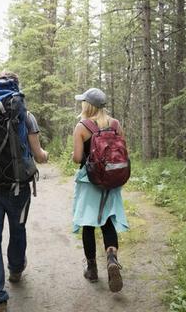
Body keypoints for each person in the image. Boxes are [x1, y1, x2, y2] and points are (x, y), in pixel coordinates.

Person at [0, 72, 49, 312]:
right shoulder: (26, 116)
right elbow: (39, 155)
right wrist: (44, 157)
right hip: (18, 188)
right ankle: (16, 269)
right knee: (17, 229)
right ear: (16, 88)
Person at [71, 87, 129, 293]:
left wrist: (74, 154)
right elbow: (123, 152)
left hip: (90, 182)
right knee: (107, 222)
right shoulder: (115, 124)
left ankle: (92, 269)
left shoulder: (82, 127)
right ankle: (112, 259)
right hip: (111, 181)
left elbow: (78, 158)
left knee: (88, 224)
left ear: (88, 105)